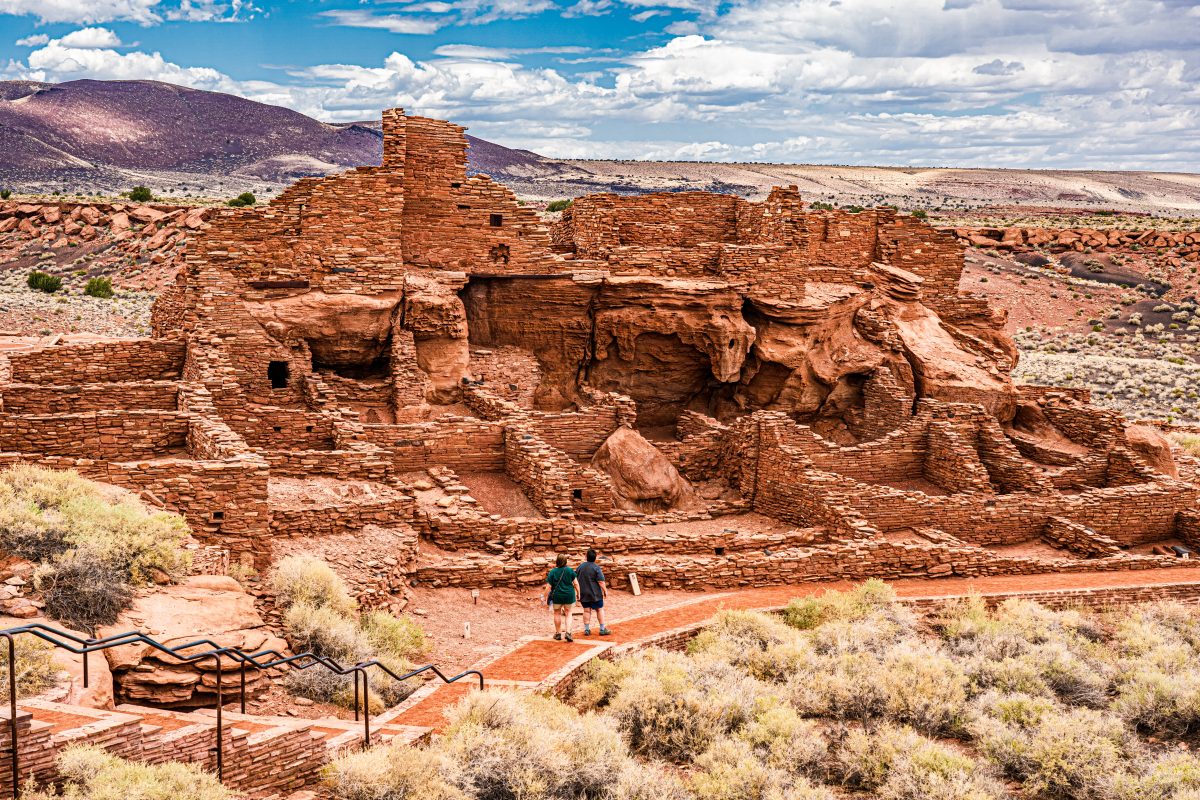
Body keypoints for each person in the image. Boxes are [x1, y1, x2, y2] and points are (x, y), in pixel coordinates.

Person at [543, 554, 579, 642]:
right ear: (565, 561)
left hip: (557, 596)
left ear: (557, 561)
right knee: (568, 613)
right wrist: (579, 593)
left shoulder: (553, 572)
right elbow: (576, 583)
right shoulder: (570, 570)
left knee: (557, 613)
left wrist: (545, 597)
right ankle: (568, 633)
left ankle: (558, 633)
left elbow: (548, 587)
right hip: (569, 595)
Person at [576, 549, 611, 636]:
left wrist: (577, 592)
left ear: (586, 557)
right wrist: (605, 591)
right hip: (595, 594)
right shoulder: (596, 567)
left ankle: (587, 630)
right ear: (595, 558)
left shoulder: (580, 567)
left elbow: (575, 578)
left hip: (583, 593)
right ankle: (602, 629)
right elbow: (601, 581)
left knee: (586, 611)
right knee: (599, 609)